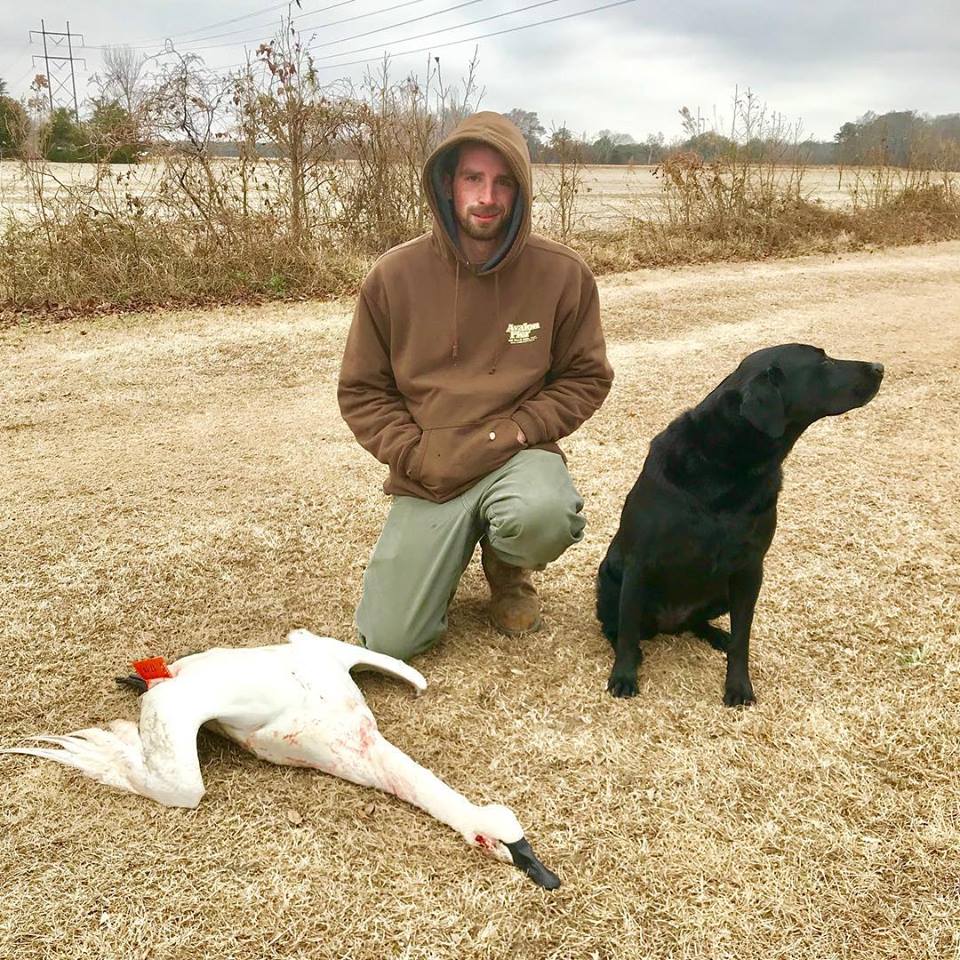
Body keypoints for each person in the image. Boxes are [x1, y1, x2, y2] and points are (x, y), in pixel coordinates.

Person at [338, 111, 613, 660]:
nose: (488, 197)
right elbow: (362, 391)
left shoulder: (563, 274)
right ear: (447, 183)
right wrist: (412, 454)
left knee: (543, 517)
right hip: (431, 469)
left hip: (515, 455)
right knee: (390, 640)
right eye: (473, 178)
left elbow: (586, 376)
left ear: (521, 190)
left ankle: (508, 567)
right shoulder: (393, 276)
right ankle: (443, 554)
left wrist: (520, 429)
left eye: (503, 181)